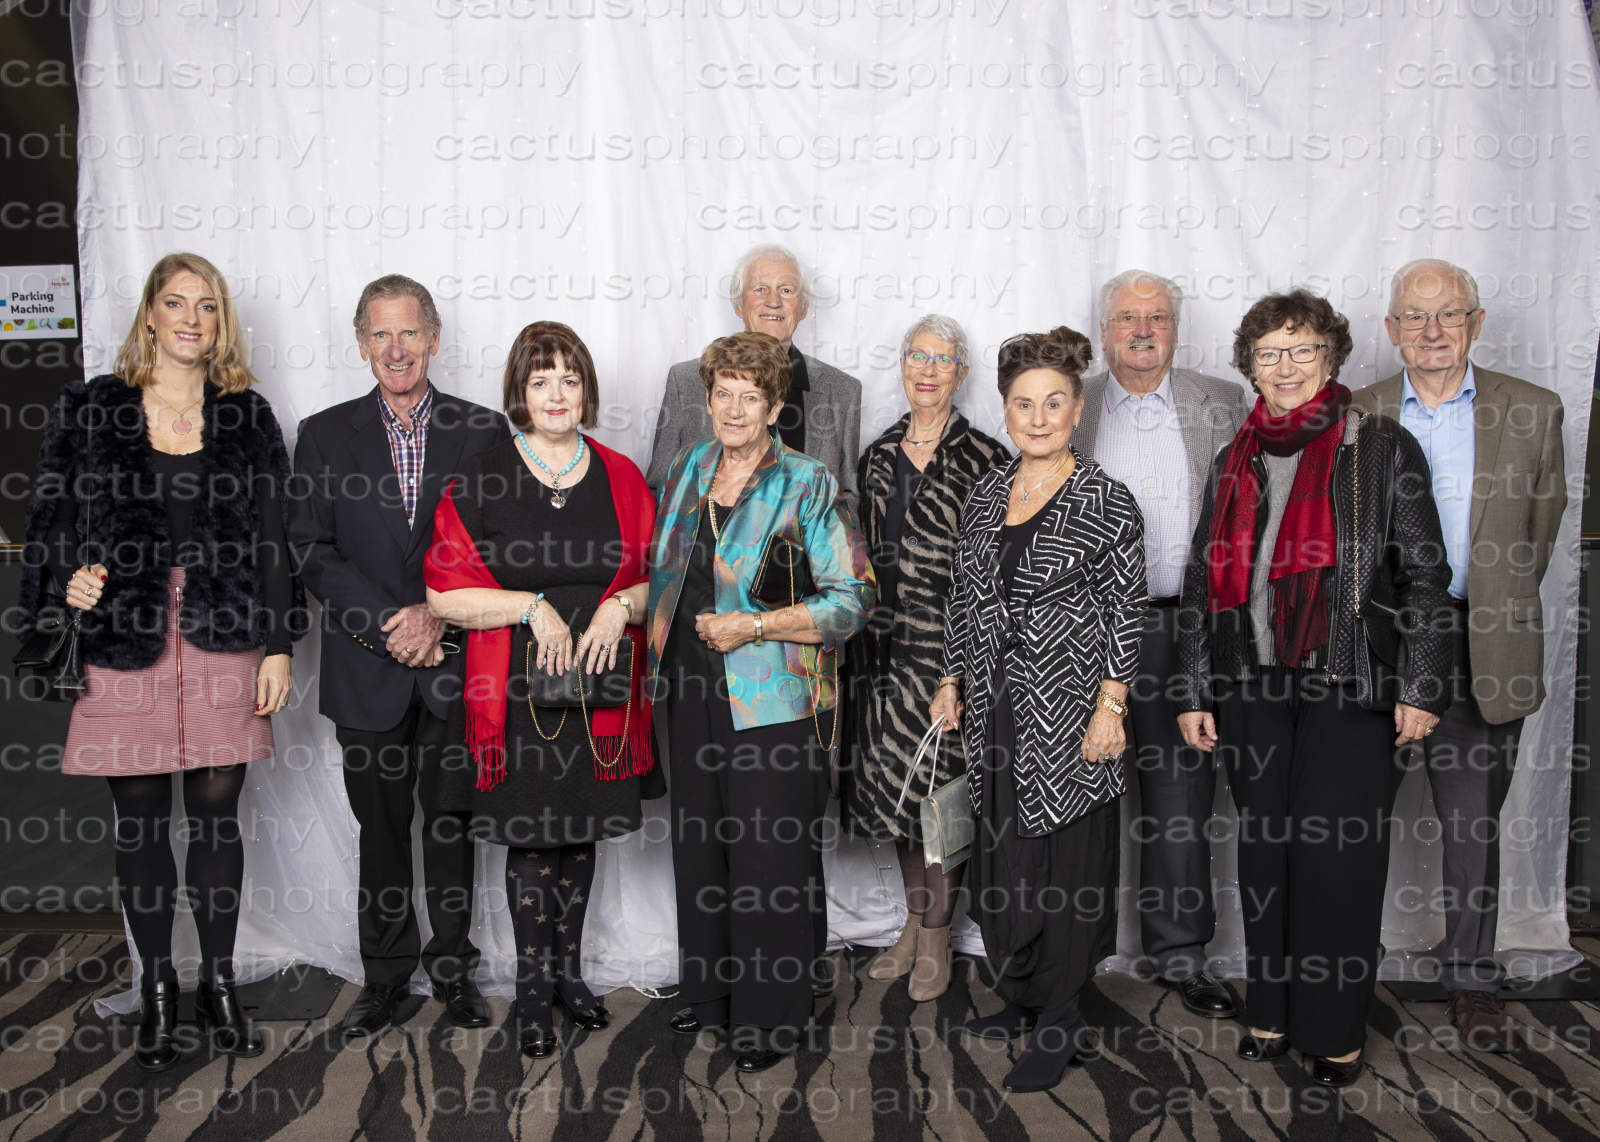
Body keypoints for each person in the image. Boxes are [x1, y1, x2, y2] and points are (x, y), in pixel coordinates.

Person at [17, 252, 303, 1069]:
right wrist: (66, 578)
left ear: (221, 322)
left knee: (216, 817)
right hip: (122, 630)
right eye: (176, 304)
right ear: (149, 313)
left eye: (206, 307)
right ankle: (157, 990)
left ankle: (218, 985)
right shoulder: (90, 407)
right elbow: (50, 518)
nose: (191, 320)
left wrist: (279, 644)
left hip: (224, 630)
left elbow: (274, 539)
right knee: (141, 819)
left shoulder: (247, 415)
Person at [1176, 289, 1453, 1087]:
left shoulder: (1381, 445)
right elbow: (1201, 582)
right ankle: (1271, 1010)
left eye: (1303, 350)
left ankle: (1333, 1031)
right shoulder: (1235, 456)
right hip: (1250, 682)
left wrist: (1423, 683)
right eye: (1270, 353)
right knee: (1265, 853)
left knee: (1336, 860)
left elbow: (1425, 576)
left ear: (1331, 359)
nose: (1287, 366)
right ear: (1251, 367)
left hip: (1349, 679)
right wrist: (1194, 689)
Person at [424, 321, 662, 1059]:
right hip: (515, 697)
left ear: (586, 390)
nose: (556, 394)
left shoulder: (622, 475)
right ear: (519, 392)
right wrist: (531, 606)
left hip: (600, 691)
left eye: (569, 379)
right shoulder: (485, 475)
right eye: (540, 380)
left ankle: (569, 976)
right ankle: (531, 989)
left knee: (579, 832)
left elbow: (662, 581)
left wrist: (620, 607)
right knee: (532, 838)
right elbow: (443, 593)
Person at [1350, 259, 1566, 1051]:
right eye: (1415, 316)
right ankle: (1343, 969)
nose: (1432, 330)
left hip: (1482, 643)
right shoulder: (1358, 414)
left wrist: (1487, 607)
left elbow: (1536, 535)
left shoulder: (1533, 410)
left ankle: (1472, 979)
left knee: (1471, 826)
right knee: (1351, 819)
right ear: (1391, 328)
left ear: (1476, 322)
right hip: (1378, 647)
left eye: (1449, 314)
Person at [288, 274, 510, 1038]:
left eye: (409, 332)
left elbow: (497, 544)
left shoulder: (482, 430)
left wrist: (435, 615)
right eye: (380, 334)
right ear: (361, 345)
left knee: (450, 824)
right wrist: (388, 620)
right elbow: (310, 548)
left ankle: (454, 973)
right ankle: (384, 979)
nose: (396, 348)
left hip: (453, 664)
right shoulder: (324, 435)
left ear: (434, 338)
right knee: (379, 832)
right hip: (366, 664)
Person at [647, 331, 875, 1074]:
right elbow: (668, 575)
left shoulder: (808, 482)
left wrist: (754, 625)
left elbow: (853, 600)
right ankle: (712, 993)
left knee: (768, 860)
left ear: (776, 407)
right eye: (724, 394)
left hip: (775, 697)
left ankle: (771, 1016)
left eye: (752, 397)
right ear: (707, 399)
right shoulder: (687, 467)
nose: (736, 409)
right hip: (690, 689)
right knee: (702, 847)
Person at [932, 327, 1148, 1094]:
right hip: (995, 708)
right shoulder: (988, 493)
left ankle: (1060, 1018)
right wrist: (951, 678)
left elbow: (1128, 610)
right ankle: (1023, 996)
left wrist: (1112, 706)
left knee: (1065, 866)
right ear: (1006, 410)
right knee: (1004, 858)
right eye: (1024, 404)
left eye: (1054, 402)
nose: (1039, 417)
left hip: (1070, 713)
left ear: (1078, 409)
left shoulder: (1106, 501)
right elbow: (964, 596)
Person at [1073, 269, 1247, 1017]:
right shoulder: (1070, 403)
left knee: (1180, 799)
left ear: (1176, 329)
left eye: (1157, 318)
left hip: (1186, 628)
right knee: (1079, 794)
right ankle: (1071, 957)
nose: (1142, 330)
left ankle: (1180, 955)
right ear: (1104, 331)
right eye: (1127, 318)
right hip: (1086, 630)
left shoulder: (1224, 402)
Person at [843, 315, 1007, 1002]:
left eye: (943, 360)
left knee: (942, 800)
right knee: (897, 797)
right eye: (918, 356)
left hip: (948, 654)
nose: (928, 370)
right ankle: (913, 925)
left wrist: (961, 671)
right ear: (904, 366)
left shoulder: (987, 458)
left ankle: (937, 935)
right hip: (883, 654)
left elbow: (991, 575)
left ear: (961, 375)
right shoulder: (877, 455)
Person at [645, 243, 862, 509]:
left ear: (804, 308)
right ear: (738, 305)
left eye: (787, 290)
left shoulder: (842, 391)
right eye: (760, 289)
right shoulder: (686, 380)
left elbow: (848, 498)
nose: (773, 301)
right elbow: (659, 487)